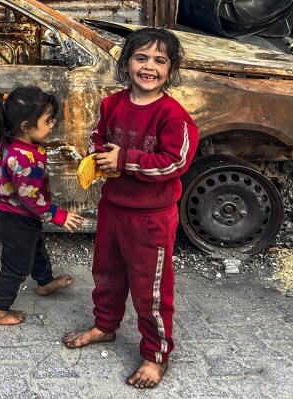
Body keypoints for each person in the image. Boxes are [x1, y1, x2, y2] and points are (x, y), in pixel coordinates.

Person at [63, 27, 198, 390]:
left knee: (149, 288)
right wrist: (96, 157)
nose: (149, 66)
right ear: (126, 64)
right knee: (106, 273)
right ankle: (105, 326)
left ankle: (156, 354)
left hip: (151, 218)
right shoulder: (112, 103)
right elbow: (98, 136)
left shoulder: (174, 117)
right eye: (141, 58)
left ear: (171, 69)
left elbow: (175, 162)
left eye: (159, 60)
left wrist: (126, 159)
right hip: (113, 209)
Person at [0, 86, 84, 326]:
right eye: (48, 120)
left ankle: (45, 282)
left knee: (37, 249)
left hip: (14, 215)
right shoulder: (23, 160)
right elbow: (30, 198)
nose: (52, 125)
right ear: (26, 126)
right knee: (15, 267)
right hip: (17, 219)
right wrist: (58, 214)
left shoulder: (7, 143)